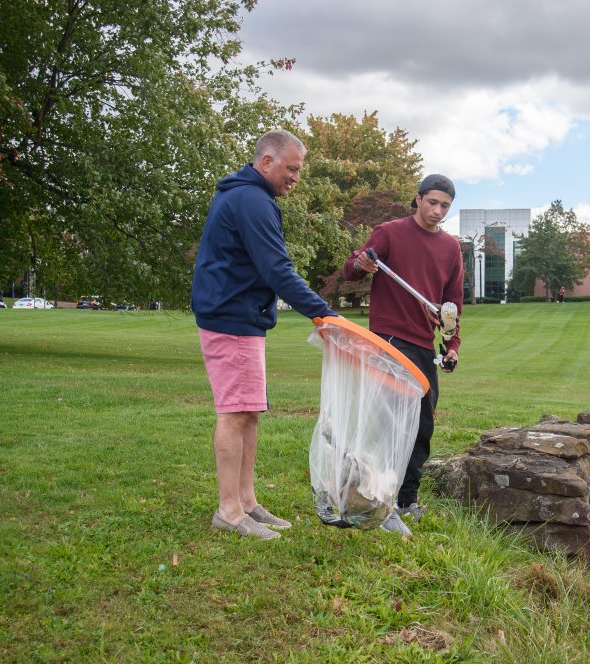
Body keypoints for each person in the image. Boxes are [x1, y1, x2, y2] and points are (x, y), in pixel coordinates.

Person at [192, 128, 337, 540]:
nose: (295, 177)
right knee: (235, 412)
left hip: (242, 319)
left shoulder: (249, 196)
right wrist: (323, 315)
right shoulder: (252, 200)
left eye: (299, 171)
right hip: (231, 319)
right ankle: (229, 511)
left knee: (249, 412)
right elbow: (277, 270)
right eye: (291, 169)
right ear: (267, 161)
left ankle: (248, 501)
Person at [342, 174, 464, 536]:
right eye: (432, 202)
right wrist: (361, 264)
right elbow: (351, 268)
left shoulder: (451, 248)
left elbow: (451, 306)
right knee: (389, 424)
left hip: (424, 346)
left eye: (444, 206)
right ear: (418, 199)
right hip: (389, 341)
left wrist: (452, 345)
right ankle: (379, 500)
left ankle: (407, 500)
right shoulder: (390, 232)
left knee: (421, 426)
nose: (437, 211)